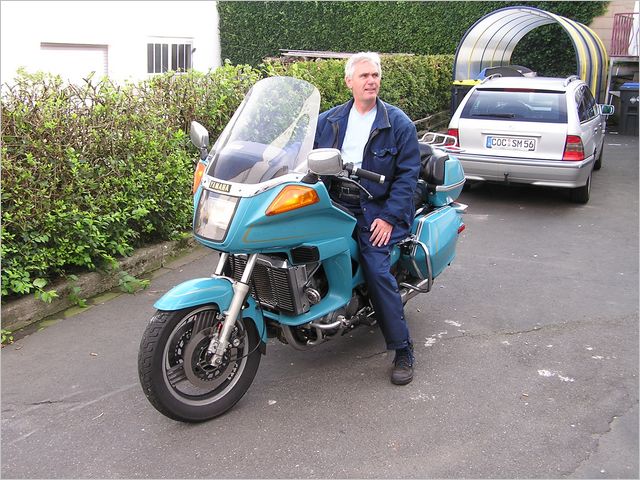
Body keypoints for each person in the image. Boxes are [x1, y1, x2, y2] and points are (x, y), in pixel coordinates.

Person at [314, 52, 421, 385]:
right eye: (364, 76)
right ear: (349, 81)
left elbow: (408, 178)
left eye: (375, 75)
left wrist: (388, 218)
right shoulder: (329, 120)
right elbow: (302, 156)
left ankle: (402, 349)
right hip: (333, 200)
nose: (371, 81)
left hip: (376, 206)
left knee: (376, 268)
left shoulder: (398, 123)